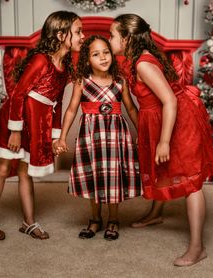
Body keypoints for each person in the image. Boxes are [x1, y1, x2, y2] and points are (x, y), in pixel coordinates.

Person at [109, 14, 213, 265]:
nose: (110, 39)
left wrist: (164, 141)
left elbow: (169, 100)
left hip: (177, 118)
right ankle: (156, 213)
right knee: (160, 167)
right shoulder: (134, 58)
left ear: (126, 38)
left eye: (112, 35)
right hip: (157, 118)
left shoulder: (142, 64)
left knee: (191, 181)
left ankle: (197, 246)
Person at [0, 11, 85, 241]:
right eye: (78, 31)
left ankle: (28, 222)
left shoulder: (66, 67)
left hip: (36, 124)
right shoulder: (41, 60)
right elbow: (18, 94)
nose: (82, 36)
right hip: (16, 120)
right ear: (60, 34)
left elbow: (55, 105)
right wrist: (15, 130)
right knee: (3, 169)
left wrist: (55, 137)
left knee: (24, 171)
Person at [53, 35, 141, 240]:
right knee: (94, 175)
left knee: (113, 176)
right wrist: (62, 137)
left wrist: (143, 134)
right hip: (91, 136)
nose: (103, 57)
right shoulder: (82, 81)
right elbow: (71, 110)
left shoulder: (120, 81)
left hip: (115, 136)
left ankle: (113, 219)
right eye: (96, 54)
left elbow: (130, 108)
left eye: (106, 52)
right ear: (86, 60)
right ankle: (95, 218)